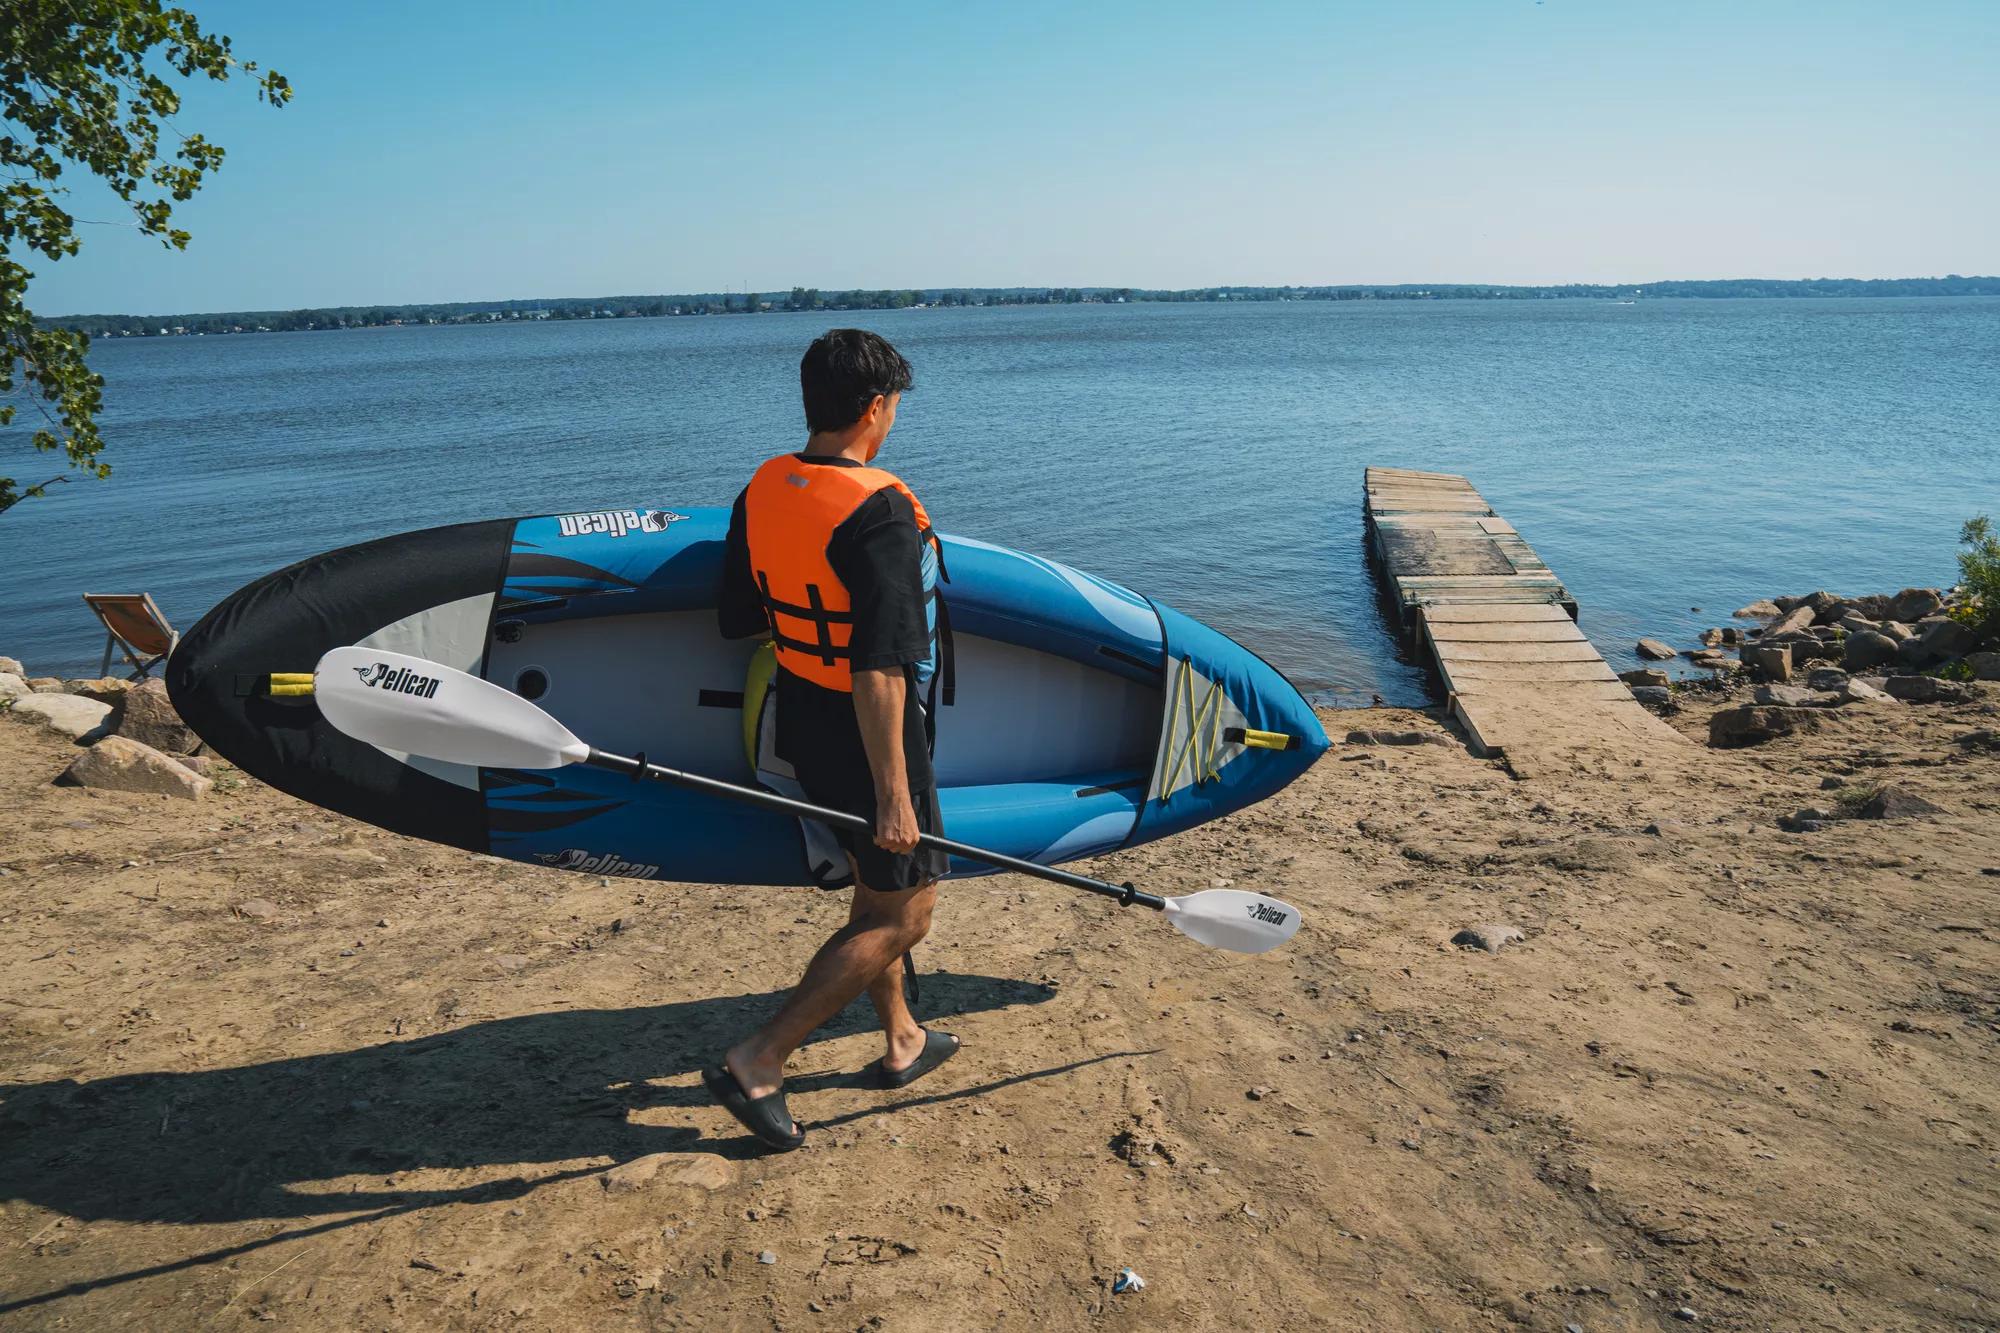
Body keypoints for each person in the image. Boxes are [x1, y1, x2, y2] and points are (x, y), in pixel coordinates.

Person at [705, 329, 959, 1151]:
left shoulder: (765, 486)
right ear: (875, 408)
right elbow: (884, 666)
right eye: (893, 409)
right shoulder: (880, 509)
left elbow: (740, 616)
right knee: (907, 914)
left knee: (872, 893)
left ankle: (903, 1039)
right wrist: (893, 791)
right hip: (870, 735)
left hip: (802, 717)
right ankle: (759, 1058)